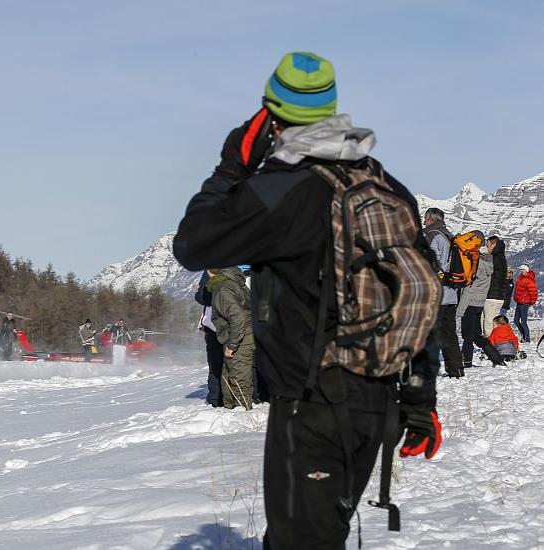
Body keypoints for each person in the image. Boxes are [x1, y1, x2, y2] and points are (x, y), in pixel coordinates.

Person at [172, 52, 441, 548]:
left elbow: (193, 245)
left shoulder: (282, 190)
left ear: (271, 118)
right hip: (377, 401)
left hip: (314, 403)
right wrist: (421, 400)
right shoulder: (384, 185)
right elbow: (418, 288)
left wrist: (232, 166)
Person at [422, 208, 466, 378]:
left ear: (431, 220)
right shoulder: (449, 236)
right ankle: (456, 369)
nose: (424, 222)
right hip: (451, 293)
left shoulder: (432, 236)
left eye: (425, 219)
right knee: (449, 333)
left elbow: (432, 261)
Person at [207, 267, 254, 410]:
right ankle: (231, 412)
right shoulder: (232, 282)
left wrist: (232, 345)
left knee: (238, 379)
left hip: (240, 337)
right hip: (242, 334)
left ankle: (243, 418)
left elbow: (237, 317)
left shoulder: (223, 289)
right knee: (229, 376)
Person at [457, 237, 505, 369]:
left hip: (470, 303)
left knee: (467, 335)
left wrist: (460, 309)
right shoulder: (489, 265)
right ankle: (497, 358)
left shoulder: (476, 268)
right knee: (477, 335)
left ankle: (466, 362)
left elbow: (469, 290)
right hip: (479, 303)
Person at [195, 271, 224, 408]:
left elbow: (203, 298)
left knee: (216, 364)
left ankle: (216, 399)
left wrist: (198, 293)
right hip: (246, 324)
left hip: (214, 324)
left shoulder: (213, 267)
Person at [484, 236, 508, 335]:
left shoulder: (495, 258)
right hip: (498, 295)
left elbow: (488, 273)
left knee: (489, 322)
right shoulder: (501, 257)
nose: (487, 248)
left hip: (492, 294)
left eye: (488, 245)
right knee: (491, 321)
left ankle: (491, 347)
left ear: (493, 244)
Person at [514, 264, 537, 343]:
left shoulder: (529, 280)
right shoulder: (519, 278)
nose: (521, 271)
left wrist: (531, 302)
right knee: (516, 321)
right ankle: (523, 335)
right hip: (519, 302)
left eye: (523, 270)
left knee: (523, 322)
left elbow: (533, 292)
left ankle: (527, 338)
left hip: (524, 303)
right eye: (521, 270)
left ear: (526, 270)